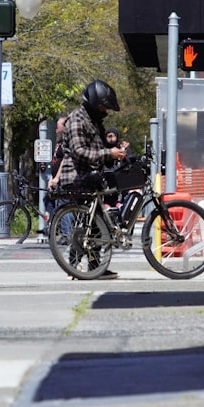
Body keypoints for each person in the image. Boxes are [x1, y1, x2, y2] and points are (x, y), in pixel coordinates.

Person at [58, 79, 129, 280]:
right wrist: (108, 154)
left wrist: (115, 154)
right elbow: (79, 151)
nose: (104, 111)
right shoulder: (77, 120)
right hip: (77, 176)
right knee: (88, 224)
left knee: (97, 224)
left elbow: (98, 149)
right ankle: (73, 267)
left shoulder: (93, 120)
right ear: (93, 104)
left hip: (90, 175)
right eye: (102, 107)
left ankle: (95, 267)